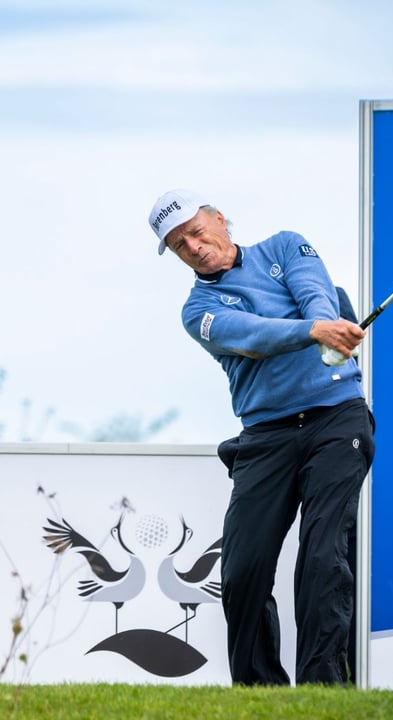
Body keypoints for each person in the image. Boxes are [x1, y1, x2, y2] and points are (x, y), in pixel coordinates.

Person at [148, 188, 375, 686]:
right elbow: (250, 335)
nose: (194, 246)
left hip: (334, 420)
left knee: (323, 557)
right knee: (243, 572)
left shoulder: (284, 246)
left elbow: (314, 289)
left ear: (219, 219)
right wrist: (316, 331)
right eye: (181, 245)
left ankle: (322, 692)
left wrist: (329, 325)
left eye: (196, 231)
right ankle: (260, 695)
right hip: (266, 436)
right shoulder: (197, 311)